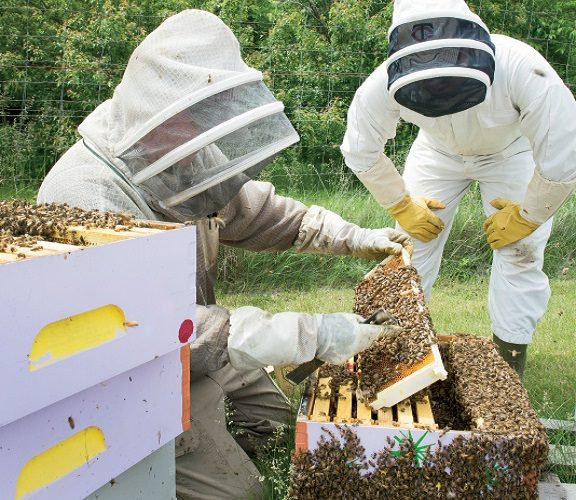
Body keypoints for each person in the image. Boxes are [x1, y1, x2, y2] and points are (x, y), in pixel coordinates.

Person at [38, 9, 407, 499]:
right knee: (242, 495)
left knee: (279, 428)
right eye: (188, 119)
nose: (197, 137)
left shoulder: (182, 150)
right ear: (154, 111)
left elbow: (263, 213)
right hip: (129, 374)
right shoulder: (84, 196)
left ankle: (221, 437)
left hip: (200, 343)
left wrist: (354, 236)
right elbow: (138, 328)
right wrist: (308, 333)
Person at [341, 0, 576, 379]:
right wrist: (400, 204)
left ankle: (507, 363)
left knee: (520, 250)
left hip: (510, 153)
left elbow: (564, 155)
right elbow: (360, 149)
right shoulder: (382, 82)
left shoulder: (521, 65)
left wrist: (529, 215)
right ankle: (398, 351)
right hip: (437, 152)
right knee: (410, 245)